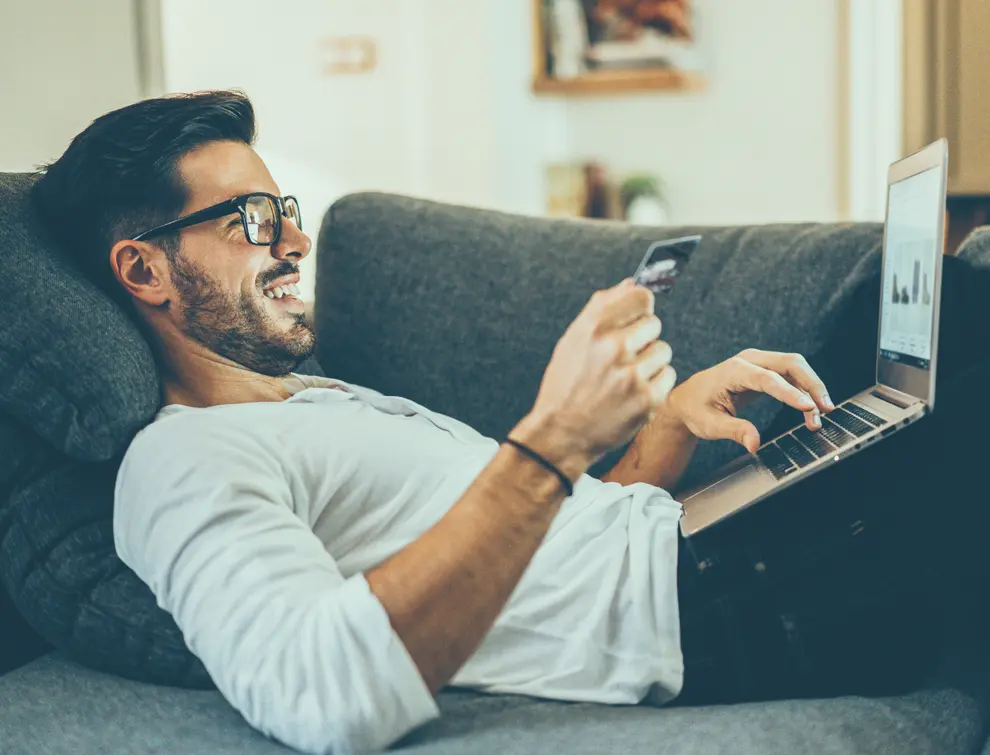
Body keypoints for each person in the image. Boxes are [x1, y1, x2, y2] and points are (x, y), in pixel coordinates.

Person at [32, 91, 990, 754]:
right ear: (145, 270)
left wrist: (662, 429)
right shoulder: (180, 463)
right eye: (249, 218)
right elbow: (317, 693)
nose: (295, 236)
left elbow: (549, 562)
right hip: (732, 602)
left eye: (283, 206)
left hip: (712, 547)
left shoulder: (310, 400)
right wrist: (551, 439)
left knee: (930, 311)